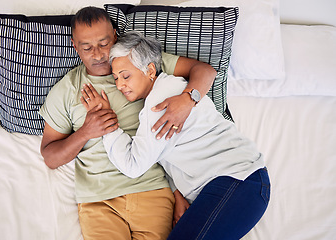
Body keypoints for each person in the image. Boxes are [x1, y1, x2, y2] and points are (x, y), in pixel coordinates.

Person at [39, 6, 217, 240]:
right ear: (75, 46)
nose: (98, 54)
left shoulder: (140, 62)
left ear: (115, 35)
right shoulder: (67, 90)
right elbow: (50, 157)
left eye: (104, 44)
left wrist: (187, 100)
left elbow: (204, 71)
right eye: (87, 47)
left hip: (152, 188)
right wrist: (86, 132)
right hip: (99, 199)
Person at [82, 31, 270, 239]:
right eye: (116, 78)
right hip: (236, 185)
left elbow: (133, 165)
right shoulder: (172, 87)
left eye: (126, 76)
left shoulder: (160, 104)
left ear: (150, 70)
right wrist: (178, 193)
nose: (119, 85)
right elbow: (171, 150)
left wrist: (106, 121)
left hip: (238, 181)